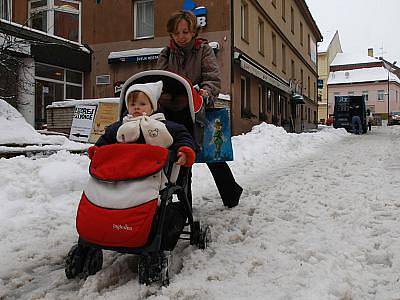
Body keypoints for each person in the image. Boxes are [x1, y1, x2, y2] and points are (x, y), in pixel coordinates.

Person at [157, 10, 243, 208]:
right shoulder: (167, 53)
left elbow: (212, 78)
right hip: (173, 111)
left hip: (198, 109)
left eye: (185, 31)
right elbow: (158, 79)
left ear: (193, 32)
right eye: (177, 33)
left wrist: (205, 92)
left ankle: (231, 193)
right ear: (171, 34)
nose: (181, 36)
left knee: (212, 154)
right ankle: (183, 202)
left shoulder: (203, 50)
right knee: (181, 154)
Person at [94, 80, 196, 167]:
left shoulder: (163, 125)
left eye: (142, 104)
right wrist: (97, 150)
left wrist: (184, 150)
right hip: (123, 169)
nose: (136, 107)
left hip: (154, 170)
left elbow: (182, 136)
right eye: (132, 104)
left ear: (152, 107)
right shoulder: (120, 126)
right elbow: (106, 139)